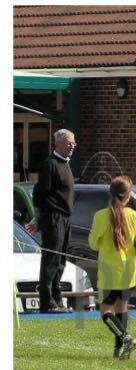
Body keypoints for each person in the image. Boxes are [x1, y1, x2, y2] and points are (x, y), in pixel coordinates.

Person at [88, 176, 136, 359]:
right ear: (128, 196)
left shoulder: (100, 216)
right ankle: (118, 351)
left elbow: (93, 244)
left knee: (106, 311)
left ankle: (125, 338)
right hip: (128, 272)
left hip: (108, 272)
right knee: (122, 309)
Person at [28, 129, 76, 313]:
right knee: (51, 259)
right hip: (53, 217)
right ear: (58, 143)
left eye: (74, 143)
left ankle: (57, 300)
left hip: (65, 217)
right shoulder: (50, 164)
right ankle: (47, 302)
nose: (72, 146)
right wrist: (38, 218)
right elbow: (40, 193)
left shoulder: (65, 164)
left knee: (61, 260)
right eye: (69, 143)